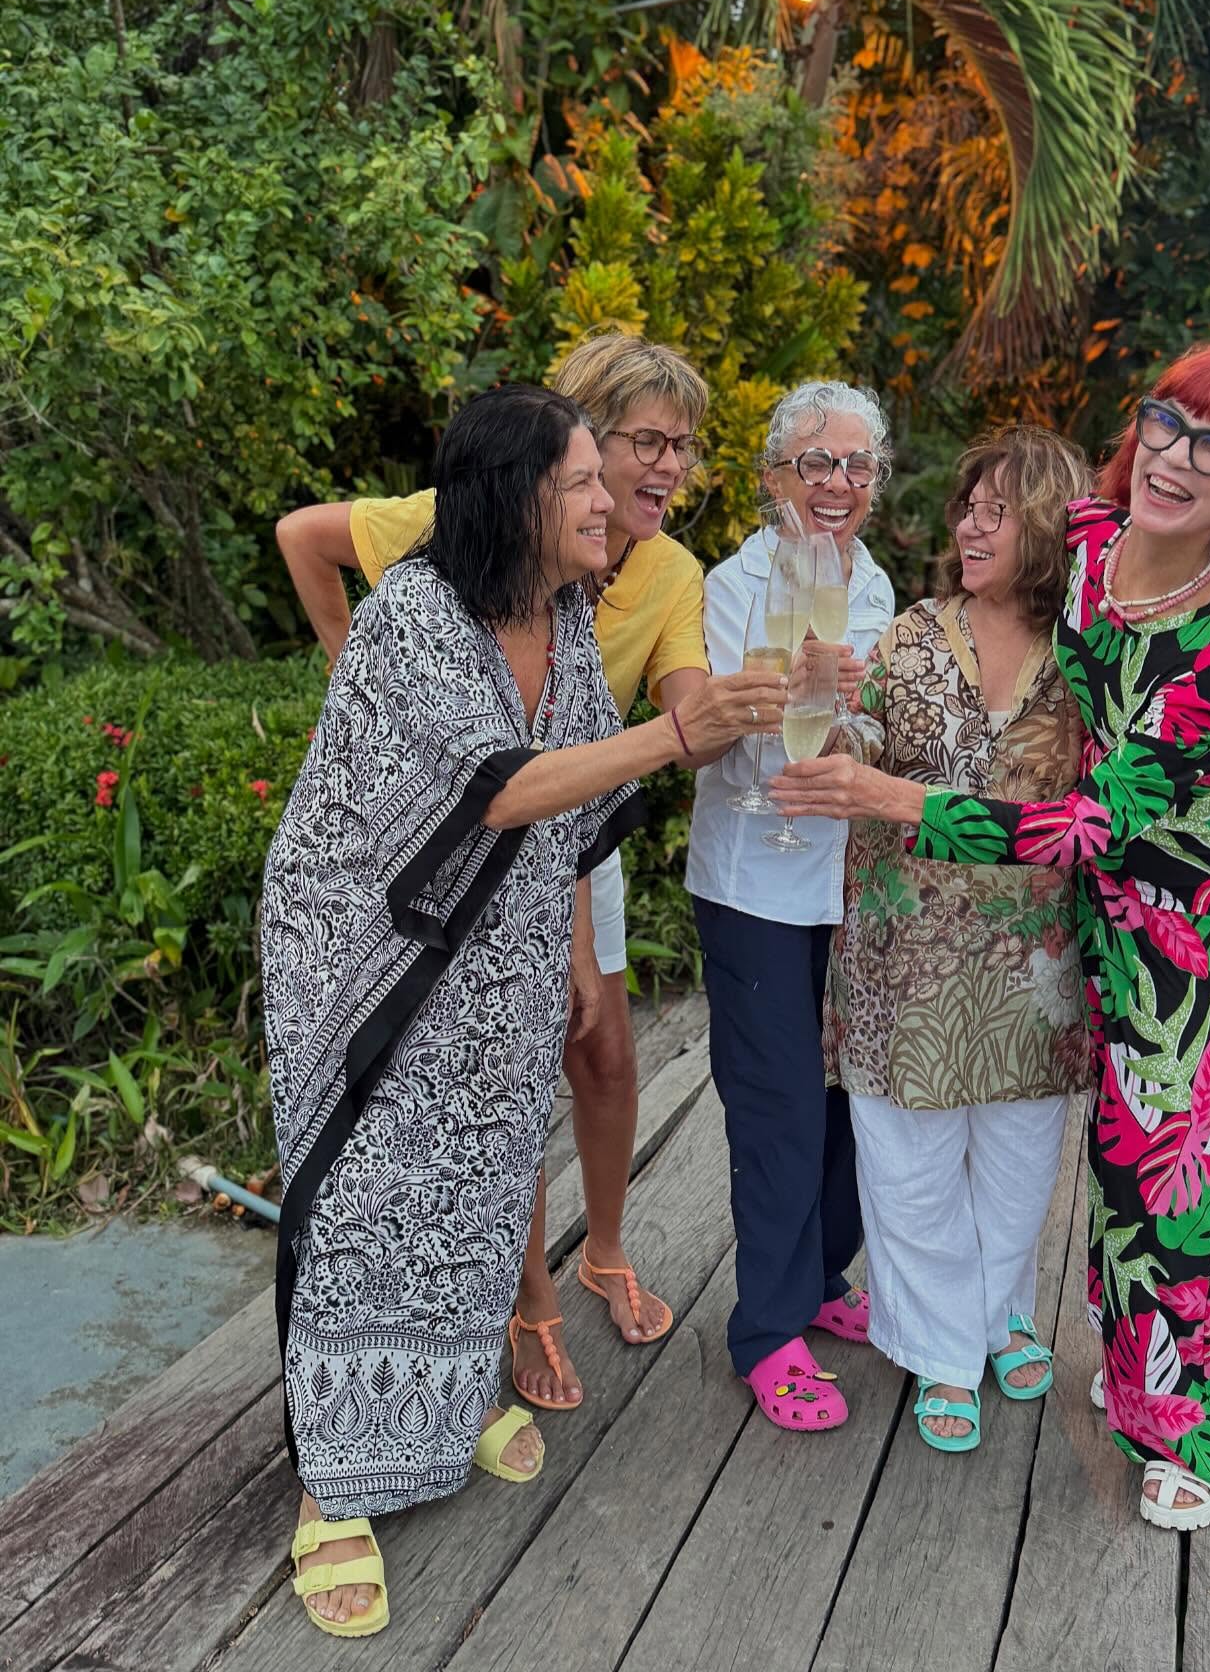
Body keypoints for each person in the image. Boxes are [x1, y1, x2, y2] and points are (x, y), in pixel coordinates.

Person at [265, 384, 783, 1637]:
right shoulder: (414, 618)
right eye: (584, 483)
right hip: (366, 951)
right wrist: (676, 735)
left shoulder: (563, 612)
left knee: (487, 1175)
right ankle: (334, 1486)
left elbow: (566, 811)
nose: (611, 503)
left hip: (500, 946)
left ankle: (443, 1407)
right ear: (515, 499)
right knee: (373, 1197)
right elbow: (502, 790)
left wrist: (574, 956)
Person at [774, 342, 1210, 1526]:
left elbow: (1095, 822)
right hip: (1101, 920)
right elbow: (997, 546)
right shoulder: (1089, 541)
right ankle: (1122, 1376)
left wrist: (901, 802)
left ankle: (1192, 1426)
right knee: (1122, 1177)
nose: (1177, 456)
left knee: (1192, 1192)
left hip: (1202, 935)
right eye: (1166, 421)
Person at [275, 333, 716, 1413]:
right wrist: (363, 681)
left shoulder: (601, 596)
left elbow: (599, 780)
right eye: (637, 449)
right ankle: (387, 1415)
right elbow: (500, 786)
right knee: (400, 1143)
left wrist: (577, 945)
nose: (657, 475)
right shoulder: (431, 578)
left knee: (534, 1098)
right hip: (401, 897)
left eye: (681, 448)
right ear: (538, 483)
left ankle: (507, 1336)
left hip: (538, 868)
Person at [684, 380, 897, 1431]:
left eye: (857, 465)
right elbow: (732, 740)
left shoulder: (880, 588)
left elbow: (885, 739)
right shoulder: (735, 585)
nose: (837, 482)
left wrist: (858, 709)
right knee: (778, 1105)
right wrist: (804, 695)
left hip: (851, 883)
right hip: (755, 884)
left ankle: (818, 1278)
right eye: (816, 461)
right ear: (776, 476)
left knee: (852, 1097)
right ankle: (766, 1330)